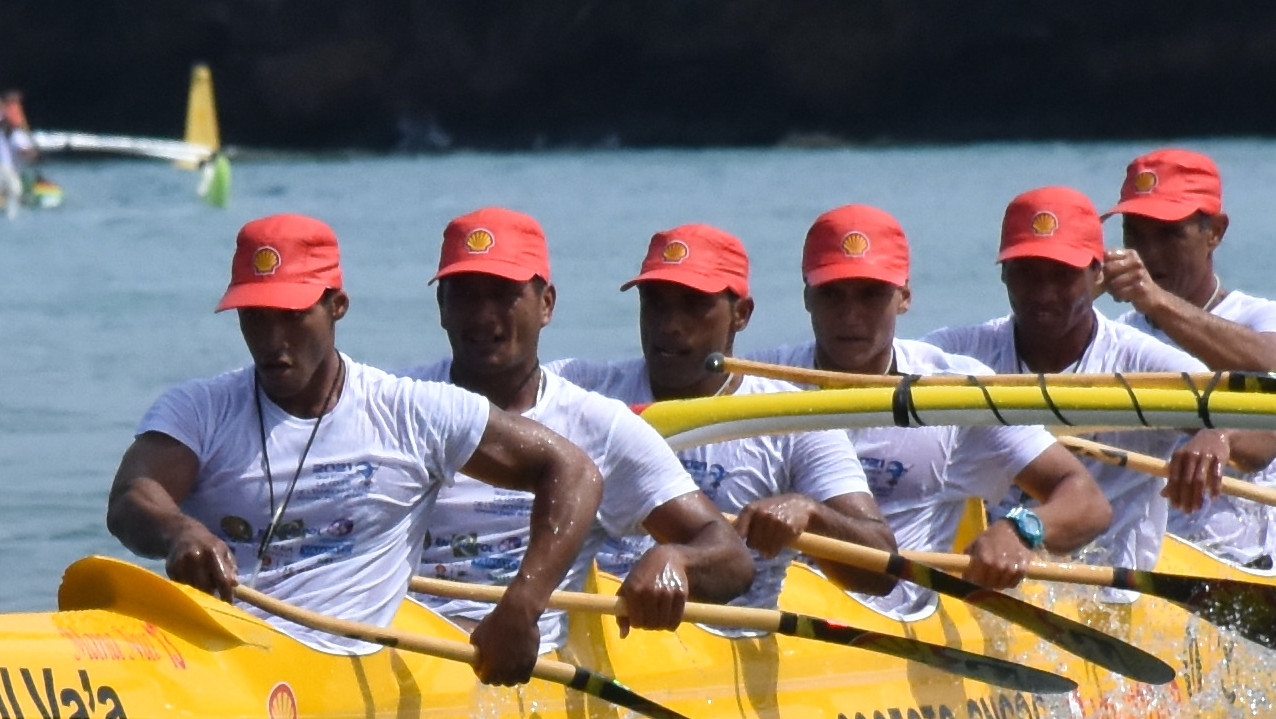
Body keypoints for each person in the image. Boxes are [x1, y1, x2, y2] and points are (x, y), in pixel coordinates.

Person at [108, 214, 604, 688]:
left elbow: (574, 473)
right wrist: (179, 531)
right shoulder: (198, 409)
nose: (272, 339)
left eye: (292, 315)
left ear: (337, 306)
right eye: (255, 317)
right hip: (222, 659)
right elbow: (132, 495)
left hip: (343, 671)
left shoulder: (407, 413)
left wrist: (522, 605)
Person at [404, 208, 752, 649]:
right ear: (441, 307)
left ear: (546, 304)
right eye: (465, 295)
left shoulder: (600, 427)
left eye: (504, 295)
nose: (483, 316)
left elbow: (732, 559)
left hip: (516, 662)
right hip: (396, 642)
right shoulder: (399, 405)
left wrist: (675, 559)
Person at [742, 205, 1112, 611]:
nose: (850, 316)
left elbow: (1086, 500)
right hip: (778, 612)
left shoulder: (952, 390)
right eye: (832, 294)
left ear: (904, 298)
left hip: (903, 620)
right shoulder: (758, 385)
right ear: (807, 297)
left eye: (871, 294)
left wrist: (1021, 530)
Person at [922, 186, 1273, 573]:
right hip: (988, 572)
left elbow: (1267, 433)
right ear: (1004, 274)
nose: (1044, 294)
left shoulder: (1141, 363)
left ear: (1097, 274)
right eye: (1027, 274)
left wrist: (1220, 434)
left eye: (1063, 275)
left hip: (1112, 588)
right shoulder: (960, 355)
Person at [554, 223, 893, 607]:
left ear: (741, 314)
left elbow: (882, 569)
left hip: (733, 631)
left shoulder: (793, 420)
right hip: (600, 619)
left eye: (694, 305)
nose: (670, 325)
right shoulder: (583, 390)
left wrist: (812, 514)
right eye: (656, 303)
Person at [1101, 147, 1276, 572]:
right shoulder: (1115, 338)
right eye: (1135, 235)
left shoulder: (1268, 319)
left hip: (1244, 569)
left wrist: (1222, 435)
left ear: (1215, 232)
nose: (1148, 253)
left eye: (1169, 234)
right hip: (1138, 566)